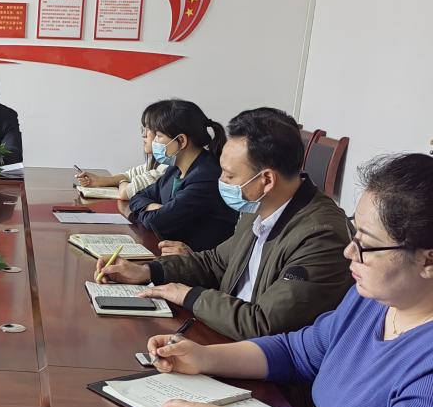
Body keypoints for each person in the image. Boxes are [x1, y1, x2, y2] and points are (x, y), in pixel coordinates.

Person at [145, 154, 433, 407]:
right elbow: (299, 351)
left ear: (428, 261)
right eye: (354, 232)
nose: (349, 251)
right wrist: (206, 356)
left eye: (367, 243)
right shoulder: (373, 301)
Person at [99, 107, 353, 339]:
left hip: (262, 361)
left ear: (266, 180)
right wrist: (148, 272)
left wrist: (187, 295)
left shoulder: (321, 237)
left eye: (229, 176)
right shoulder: (259, 206)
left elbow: (263, 324)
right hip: (223, 331)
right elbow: (216, 262)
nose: (220, 180)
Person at [122, 99, 237, 251]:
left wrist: (152, 212)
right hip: (170, 252)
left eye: (159, 136)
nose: (154, 142)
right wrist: (152, 207)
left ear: (181, 140)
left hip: (197, 261)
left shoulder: (206, 177)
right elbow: (138, 196)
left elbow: (156, 223)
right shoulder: (174, 169)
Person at [76, 101, 168, 200]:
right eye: (143, 128)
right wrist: (98, 180)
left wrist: (123, 182)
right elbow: (130, 175)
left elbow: (126, 192)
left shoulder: (166, 168)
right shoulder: (156, 161)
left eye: (149, 129)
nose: (143, 135)